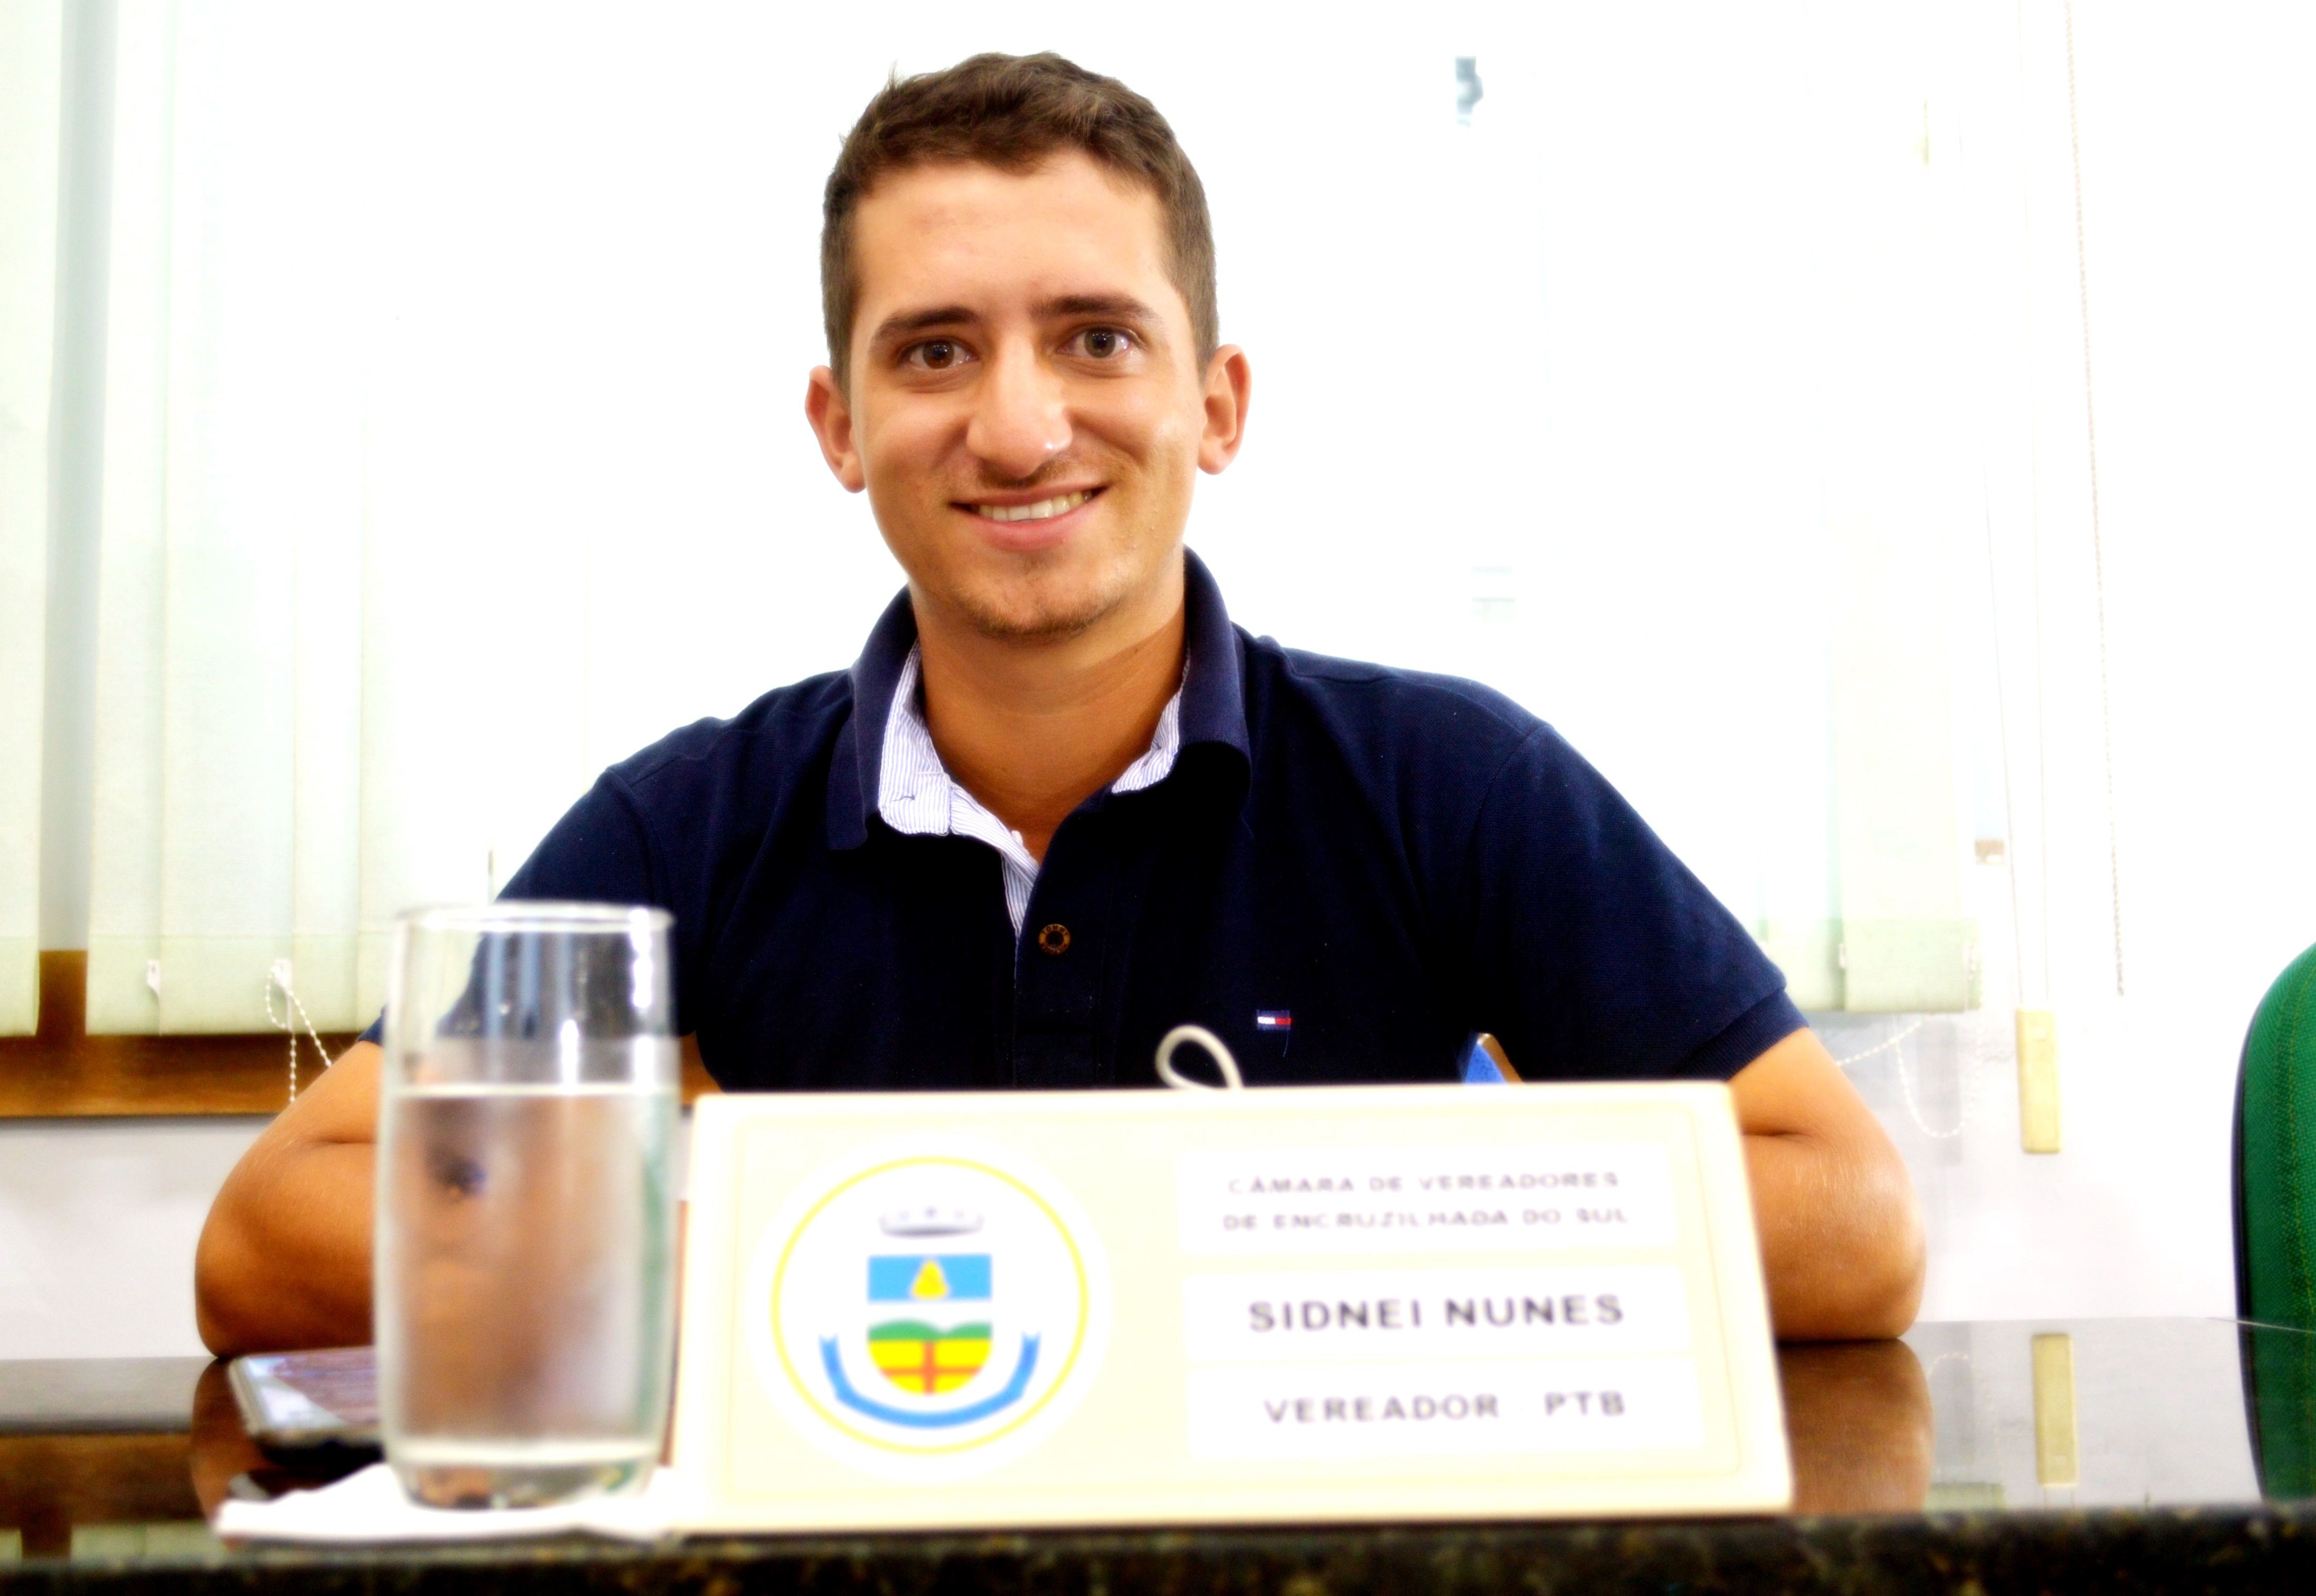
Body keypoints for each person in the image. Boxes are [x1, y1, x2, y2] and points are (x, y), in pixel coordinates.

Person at [197, 52, 1923, 1355]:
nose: (1020, 431)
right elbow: (275, 1235)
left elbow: (1850, 1221)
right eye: (935, 351)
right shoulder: (689, 823)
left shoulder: (1448, 781)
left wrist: (1274, 1245)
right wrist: (803, 1257)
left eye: (1097, 339)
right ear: (839, 426)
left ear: (1217, 405)